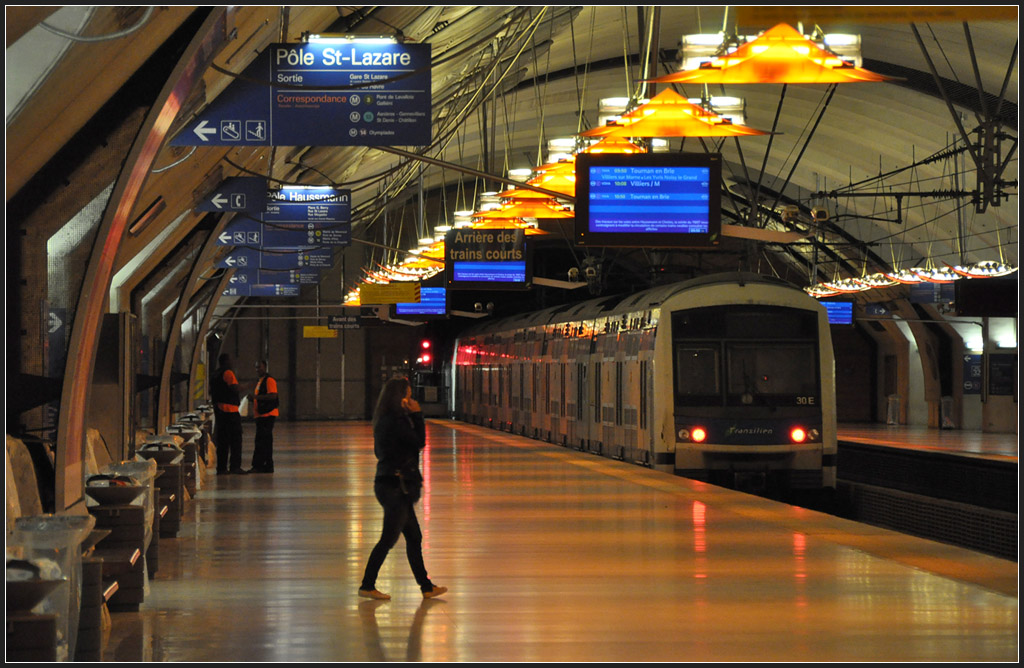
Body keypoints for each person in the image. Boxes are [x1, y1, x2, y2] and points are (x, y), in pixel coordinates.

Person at [359, 377, 447, 601]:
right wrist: (418, 415)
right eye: (407, 395)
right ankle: (367, 585)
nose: (410, 399)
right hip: (395, 487)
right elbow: (419, 441)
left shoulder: (385, 419)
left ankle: (426, 587)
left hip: (393, 484)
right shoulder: (395, 421)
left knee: (414, 537)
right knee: (388, 539)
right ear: (399, 397)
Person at [210, 353, 246, 475]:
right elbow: (234, 388)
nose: (232, 362)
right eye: (230, 360)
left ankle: (221, 468)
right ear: (226, 361)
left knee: (222, 441)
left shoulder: (215, 374)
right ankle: (235, 467)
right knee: (236, 440)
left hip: (219, 411)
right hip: (230, 412)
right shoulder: (228, 373)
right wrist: (246, 387)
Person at [248, 359, 279, 473]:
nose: (257, 370)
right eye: (256, 367)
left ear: (265, 367)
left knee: (263, 441)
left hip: (267, 415)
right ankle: (263, 465)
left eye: (259, 367)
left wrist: (256, 398)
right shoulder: (260, 381)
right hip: (260, 415)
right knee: (261, 440)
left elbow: (273, 396)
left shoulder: (269, 380)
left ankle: (262, 465)